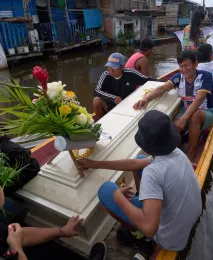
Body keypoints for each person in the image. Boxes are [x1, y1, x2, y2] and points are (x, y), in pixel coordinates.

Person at [78, 110, 202, 259]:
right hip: (186, 221)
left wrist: (119, 198)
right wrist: (95, 164)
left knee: (106, 191)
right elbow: (135, 163)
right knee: (141, 160)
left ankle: (137, 234)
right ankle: (143, 205)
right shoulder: (176, 152)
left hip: (169, 238)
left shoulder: (153, 172)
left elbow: (150, 228)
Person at [0, 160, 107, 260]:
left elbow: (18, 234)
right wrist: (16, 248)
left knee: (45, 249)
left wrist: (61, 231)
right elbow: (16, 241)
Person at [133, 50, 213, 162]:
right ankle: (173, 152)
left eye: (187, 65)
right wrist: (146, 98)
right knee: (173, 126)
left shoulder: (205, 76)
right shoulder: (178, 77)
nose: (184, 69)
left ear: (195, 64)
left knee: (195, 116)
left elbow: (199, 99)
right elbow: (162, 88)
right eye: (181, 66)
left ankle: (191, 151)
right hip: (186, 109)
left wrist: (184, 118)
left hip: (206, 110)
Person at [93, 53, 152, 120]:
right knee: (96, 100)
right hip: (112, 104)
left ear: (122, 67)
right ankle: (102, 120)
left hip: (130, 105)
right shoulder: (105, 75)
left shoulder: (131, 73)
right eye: (109, 66)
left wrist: (165, 84)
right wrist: (113, 98)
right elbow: (96, 90)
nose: (110, 70)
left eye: (113, 67)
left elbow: (148, 80)